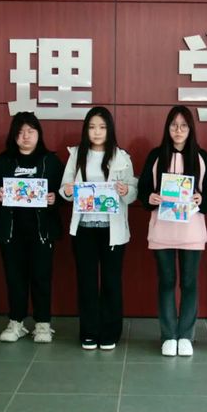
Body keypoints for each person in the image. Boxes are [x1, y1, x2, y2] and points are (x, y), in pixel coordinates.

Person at [138, 105, 207, 357]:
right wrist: (150, 197)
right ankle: (168, 335)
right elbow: (143, 190)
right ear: (167, 128)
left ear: (191, 129)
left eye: (184, 125)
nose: (178, 130)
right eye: (174, 125)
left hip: (191, 231)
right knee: (166, 282)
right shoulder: (156, 155)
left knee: (189, 283)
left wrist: (201, 199)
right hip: (162, 229)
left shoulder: (201, 156)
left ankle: (185, 335)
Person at [59, 106, 137, 350]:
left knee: (111, 282)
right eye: (92, 127)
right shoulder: (76, 155)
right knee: (87, 282)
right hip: (84, 227)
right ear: (86, 130)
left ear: (109, 129)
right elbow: (64, 188)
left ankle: (110, 332)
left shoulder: (121, 156)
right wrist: (68, 191)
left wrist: (126, 190)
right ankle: (89, 331)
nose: (97, 132)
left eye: (102, 127)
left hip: (112, 229)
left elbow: (133, 191)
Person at [0, 111, 64, 343]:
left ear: (39, 133)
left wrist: (55, 197)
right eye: (20, 132)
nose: (25, 136)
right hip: (11, 231)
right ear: (13, 136)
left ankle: (43, 324)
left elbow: (66, 190)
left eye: (30, 131)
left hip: (41, 232)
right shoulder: (4, 160)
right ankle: (16, 322)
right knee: (14, 278)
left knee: (41, 277)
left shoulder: (50, 161)